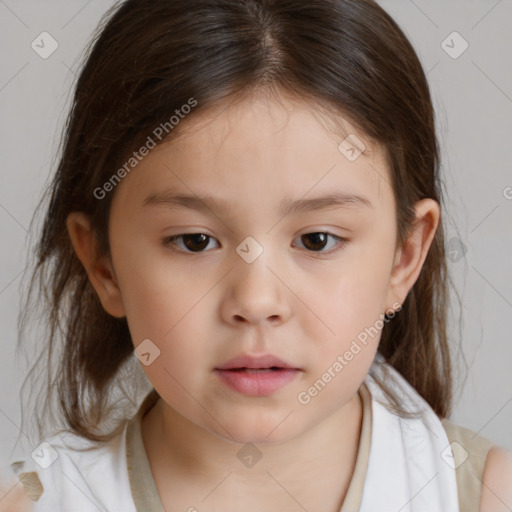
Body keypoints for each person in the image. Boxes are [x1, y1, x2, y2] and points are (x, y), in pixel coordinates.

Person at [5, 0, 512, 510]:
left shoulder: (486, 495)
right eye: (195, 241)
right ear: (104, 264)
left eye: (317, 240)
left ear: (404, 257)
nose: (257, 301)